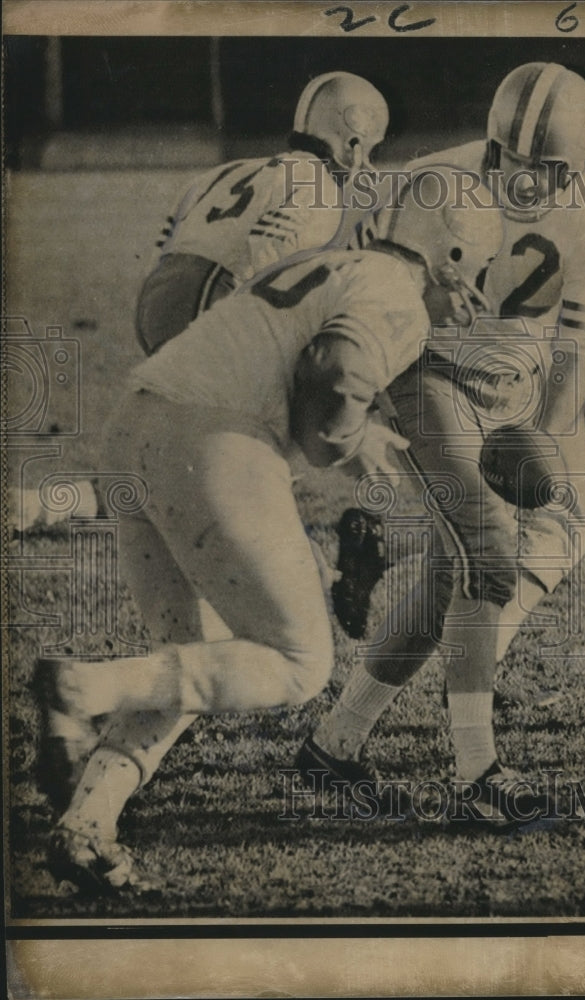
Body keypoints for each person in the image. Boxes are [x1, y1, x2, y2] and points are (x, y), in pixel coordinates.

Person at [33, 170, 503, 893]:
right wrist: (354, 440)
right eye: (477, 274)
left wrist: (350, 438)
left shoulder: (330, 263)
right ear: (453, 256)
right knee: (297, 665)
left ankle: (88, 824)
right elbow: (337, 374)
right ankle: (81, 689)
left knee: (197, 660)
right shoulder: (398, 297)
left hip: (137, 422)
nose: (473, 299)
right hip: (208, 440)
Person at [298, 63, 585, 825]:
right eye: (514, 161)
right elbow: (366, 289)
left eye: (548, 171)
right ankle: (478, 773)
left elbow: (579, 350)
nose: (527, 183)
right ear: (491, 143)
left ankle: (335, 744)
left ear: (575, 166)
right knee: (484, 545)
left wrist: (535, 436)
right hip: (424, 369)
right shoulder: (432, 182)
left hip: (516, 389)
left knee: (542, 535)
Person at [11, 71, 389, 533]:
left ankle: (48, 505)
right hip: (213, 305)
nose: (368, 163)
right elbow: (265, 270)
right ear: (352, 141)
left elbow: (167, 248)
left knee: (187, 465)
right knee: (263, 445)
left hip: (155, 306)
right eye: (369, 148)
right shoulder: (319, 189)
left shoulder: (227, 170)